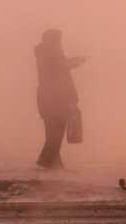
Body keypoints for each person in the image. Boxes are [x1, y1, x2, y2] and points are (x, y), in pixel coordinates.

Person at [34, 29, 87, 169]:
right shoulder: (51, 53)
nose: (60, 43)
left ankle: (55, 164)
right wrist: (76, 61)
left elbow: (60, 70)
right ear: (53, 40)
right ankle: (45, 161)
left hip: (48, 98)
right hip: (55, 99)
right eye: (58, 39)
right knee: (56, 132)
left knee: (52, 131)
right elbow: (60, 70)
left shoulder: (45, 53)